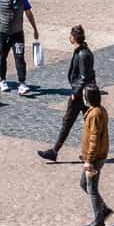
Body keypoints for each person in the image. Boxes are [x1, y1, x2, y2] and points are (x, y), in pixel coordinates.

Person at [36, 26, 98, 162]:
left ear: (73, 38)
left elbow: (84, 77)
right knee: (88, 124)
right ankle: (89, 153)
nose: (69, 37)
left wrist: (75, 93)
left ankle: (55, 151)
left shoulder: (83, 54)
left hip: (81, 95)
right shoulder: (83, 51)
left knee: (69, 122)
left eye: (70, 35)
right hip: (85, 94)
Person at [0, 0, 40, 96]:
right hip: (3, 33)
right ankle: (2, 80)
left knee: (19, 57)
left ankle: (22, 83)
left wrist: (35, 29)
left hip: (17, 34)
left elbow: (29, 13)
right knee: (2, 57)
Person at [79, 87, 113, 226]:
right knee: (84, 184)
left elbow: (94, 139)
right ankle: (103, 209)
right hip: (95, 155)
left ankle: (99, 221)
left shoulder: (95, 114)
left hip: (95, 157)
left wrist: (89, 160)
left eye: (84, 96)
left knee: (91, 188)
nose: (83, 98)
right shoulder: (98, 110)